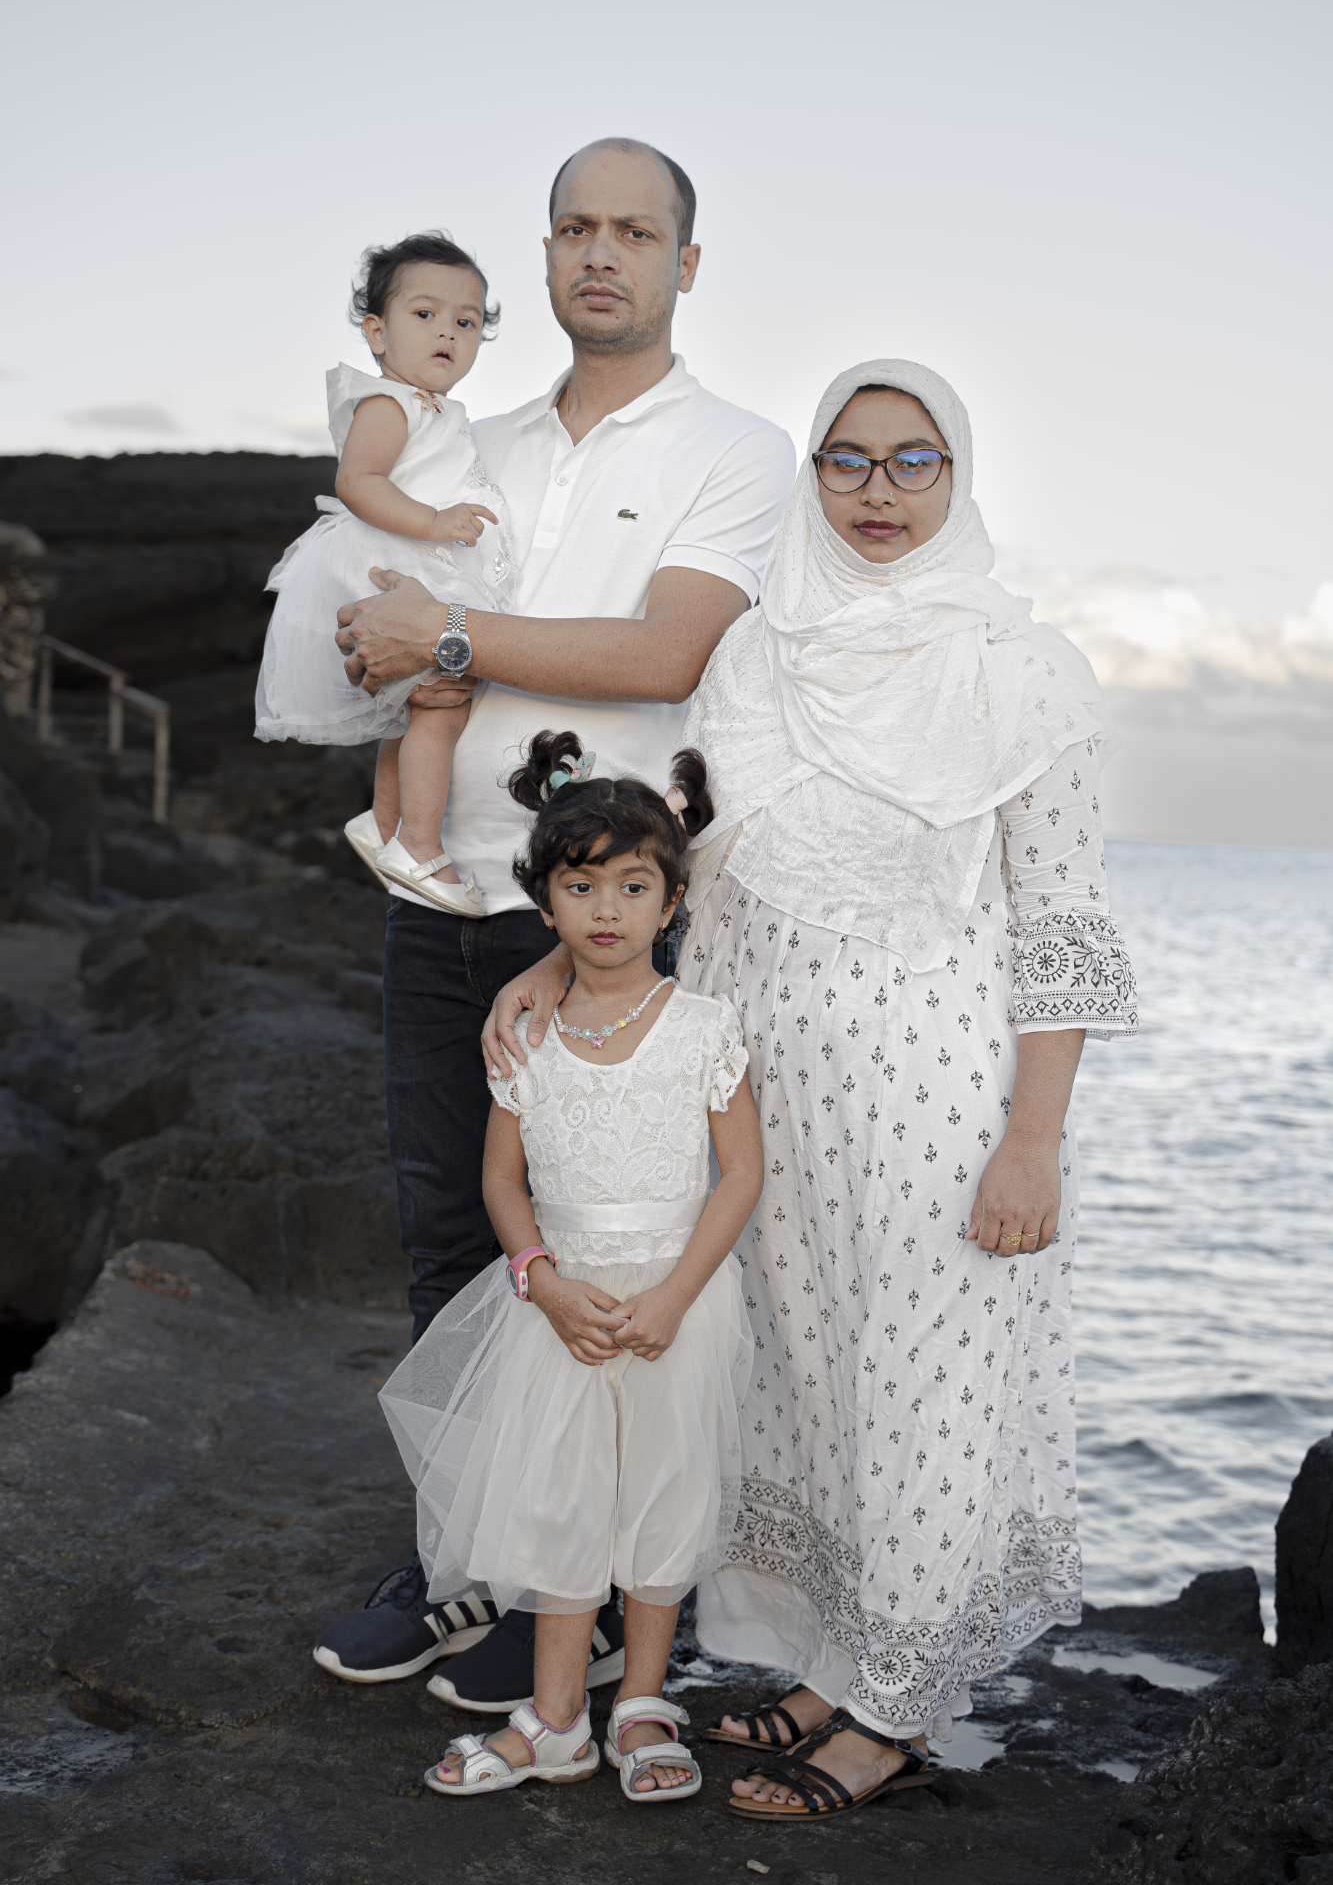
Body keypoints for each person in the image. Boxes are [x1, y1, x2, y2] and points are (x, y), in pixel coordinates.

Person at [483, 358, 1139, 1821]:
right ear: (814, 477)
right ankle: (831, 1666)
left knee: (921, 1388)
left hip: (935, 1095)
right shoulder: (755, 657)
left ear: (959, 480)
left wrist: (1031, 1140)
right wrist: (548, 969)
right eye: (847, 460)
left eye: (915, 463)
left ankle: (893, 1712)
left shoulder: (1021, 669)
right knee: (804, 1383)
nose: (878, 492)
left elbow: (1065, 923)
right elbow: (668, 862)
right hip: (761, 1091)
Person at [312, 138, 795, 1707]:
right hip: (435, 895)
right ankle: (471, 1564)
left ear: (684, 265)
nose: (605, 253)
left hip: (604, 937)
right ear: (542, 257)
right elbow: (379, 624)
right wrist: (376, 634)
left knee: (615, 1250)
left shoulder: (734, 449)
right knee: (453, 1246)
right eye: (577, 228)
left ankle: (588, 1590)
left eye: (637, 231)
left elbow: (662, 659)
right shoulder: (474, 441)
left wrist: (442, 628)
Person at [377, 733, 763, 1800]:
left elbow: (739, 1177)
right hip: (560, 1307)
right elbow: (500, 1182)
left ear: (670, 900)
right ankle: (555, 1718)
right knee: (558, 1502)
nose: (606, 907)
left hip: (677, 1303)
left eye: (632, 884)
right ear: (543, 906)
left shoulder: (703, 1027)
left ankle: (640, 1700)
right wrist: (540, 1279)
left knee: (663, 1493)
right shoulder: (527, 1034)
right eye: (579, 884)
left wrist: (678, 1292)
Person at [255, 231, 514, 912]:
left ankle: (384, 821)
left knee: (414, 711)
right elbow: (358, 481)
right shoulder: (388, 404)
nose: (447, 333)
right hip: (389, 567)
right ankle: (420, 845)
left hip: (414, 567)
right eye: (424, 314)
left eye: (465, 322)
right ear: (376, 331)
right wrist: (433, 524)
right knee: (440, 704)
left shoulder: (436, 408)